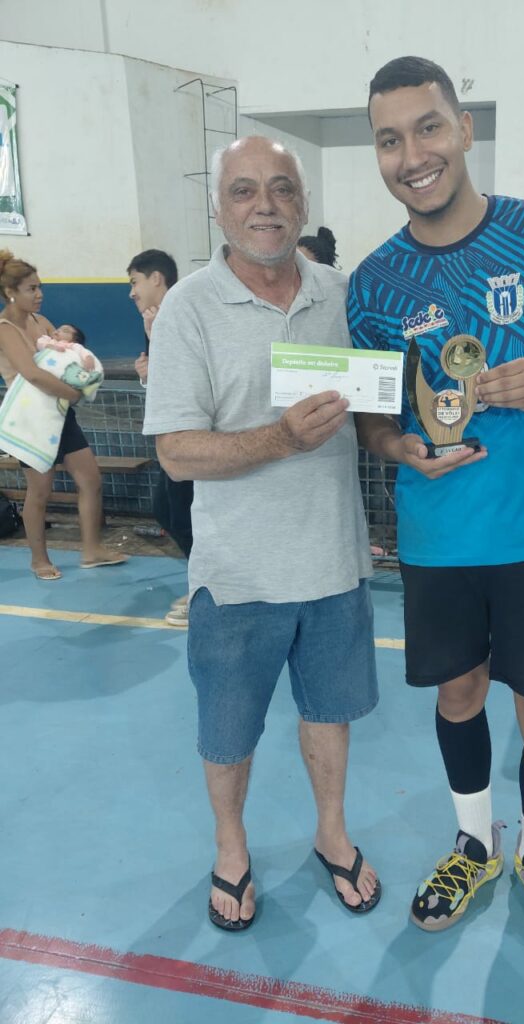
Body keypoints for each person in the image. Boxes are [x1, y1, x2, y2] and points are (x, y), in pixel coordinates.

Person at [349, 57, 524, 954]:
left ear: (464, 130)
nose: (411, 154)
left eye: (428, 127)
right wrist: (401, 450)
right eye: (389, 139)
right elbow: (373, 426)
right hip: (436, 540)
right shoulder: (373, 285)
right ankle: (475, 842)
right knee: (459, 694)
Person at [142, 135, 381, 930]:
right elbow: (175, 452)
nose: (265, 205)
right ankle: (232, 849)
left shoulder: (341, 293)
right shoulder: (189, 308)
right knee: (227, 732)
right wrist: (278, 439)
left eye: (281, 188)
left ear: (304, 205)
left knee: (330, 715)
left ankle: (332, 832)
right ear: (219, 207)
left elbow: (374, 410)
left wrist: (411, 435)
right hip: (240, 575)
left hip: (336, 563)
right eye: (245, 191)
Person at [0, 250, 128, 579]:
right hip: (33, 422)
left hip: (59, 413)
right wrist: (74, 393)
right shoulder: (5, 328)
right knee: (40, 491)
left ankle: (91, 550)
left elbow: (66, 357)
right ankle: (38, 559)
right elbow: (33, 374)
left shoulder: (42, 322)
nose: (40, 294)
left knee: (90, 479)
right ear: (11, 292)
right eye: (31, 288)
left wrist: (84, 378)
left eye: (40, 287)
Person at [128, 249, 191, 627]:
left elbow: (188, 379)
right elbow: (165, 383)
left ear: (156, 279)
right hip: (172, 439)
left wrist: (159, 348)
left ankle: (209, 586)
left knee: (181, 514)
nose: (131, 292)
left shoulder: (180, 315)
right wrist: (148, 374)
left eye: (134, 282)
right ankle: (206, 580)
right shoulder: (156, 322)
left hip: (193, 438)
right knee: (167, 511)